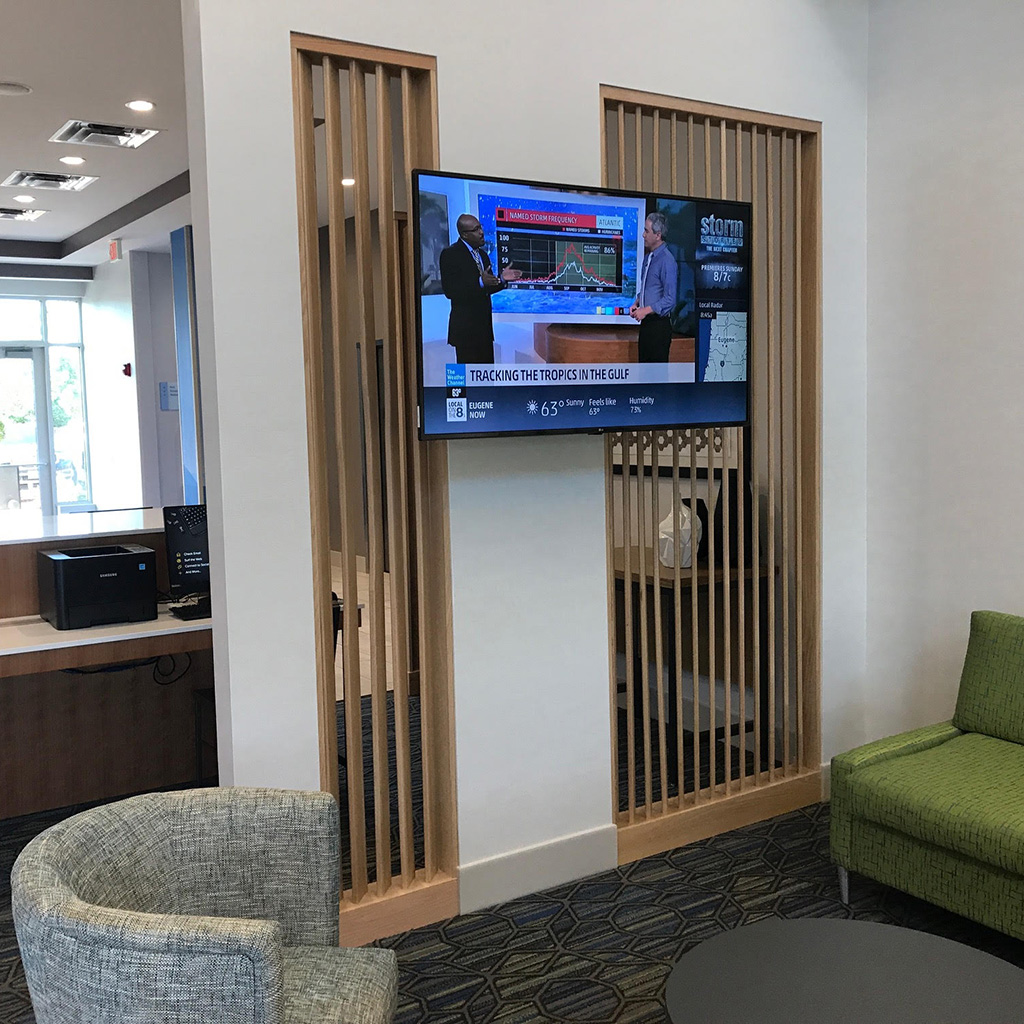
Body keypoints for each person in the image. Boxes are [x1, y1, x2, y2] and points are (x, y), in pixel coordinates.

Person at [439, 213, 521, 364]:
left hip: (484, 331)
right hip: (466, 332)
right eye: (476, 229)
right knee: (469, 381)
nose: (481, 232)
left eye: (480, 227)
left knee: (486, 379)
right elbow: (451, 291)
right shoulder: (450, 254)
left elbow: (486, 289)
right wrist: (479, 282)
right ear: (464, 234)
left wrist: (502, 279)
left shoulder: (482, 255)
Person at [630, 211, 677, 362]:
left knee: (657, 377)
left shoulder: (667, 261)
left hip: (659, 327)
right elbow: (649, 288)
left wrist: (646, 310)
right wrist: (637, 302)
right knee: (644, 374)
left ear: (658, 235)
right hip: (646, 325)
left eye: (646, 231)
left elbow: (670, 299)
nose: (643, 235)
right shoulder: (648, 258)